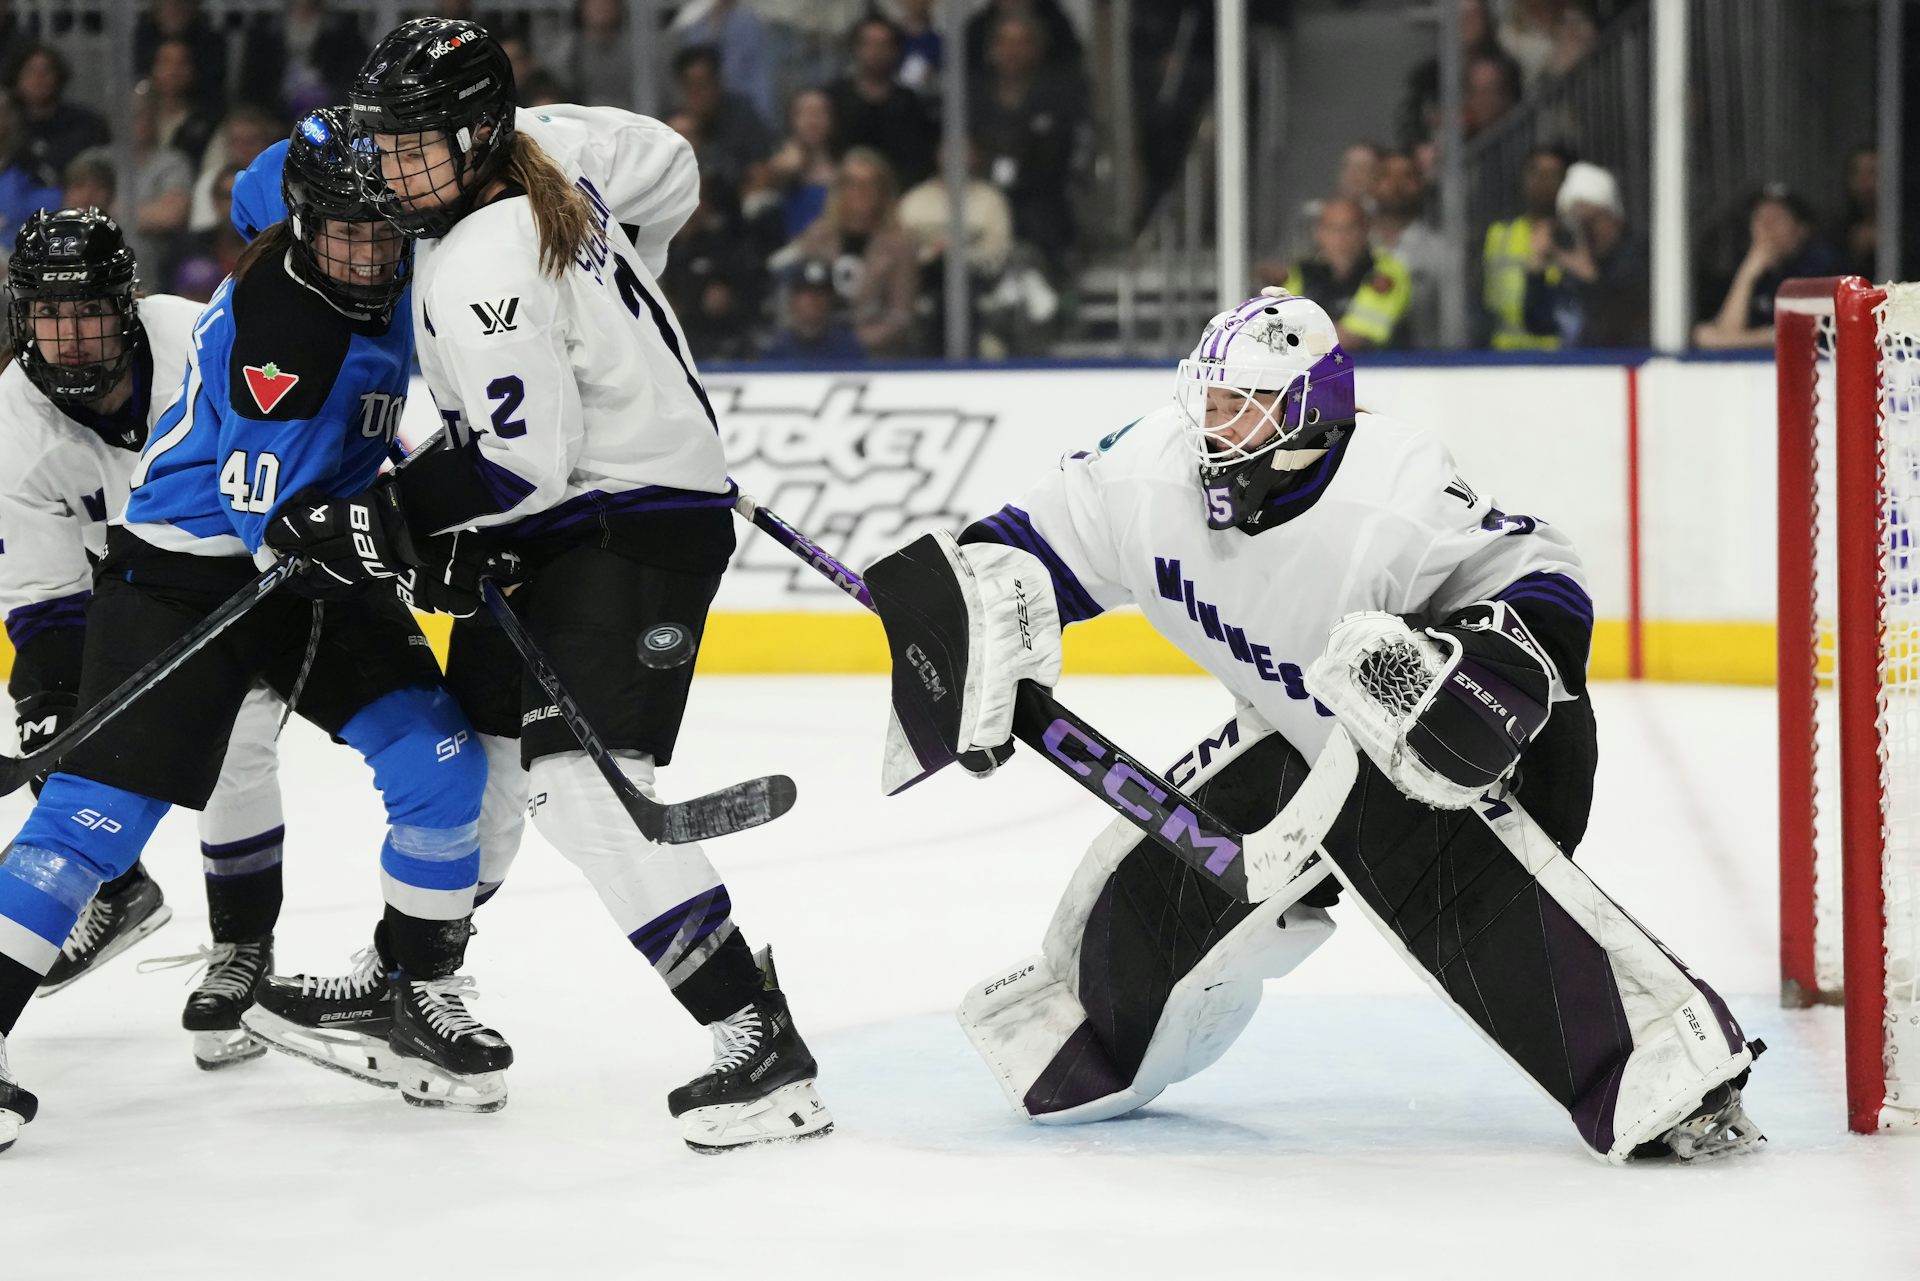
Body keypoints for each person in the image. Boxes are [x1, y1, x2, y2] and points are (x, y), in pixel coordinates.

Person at [862, 287, 1765, 1164]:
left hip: (1498, 748)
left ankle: (1669, 1066)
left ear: (1311, 415)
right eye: (1210, 401)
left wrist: (1463, 680)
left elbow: (1547, 588)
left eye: (1244, 407)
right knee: (1164, 867)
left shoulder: (1396, 493)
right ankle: (1085, 1032)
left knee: (1427, 859)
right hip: (1310, 734)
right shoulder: (1148, 473)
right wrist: (969, 635)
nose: (1215, 430)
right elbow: (1020, 549)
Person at [307, 17, 833, 1152]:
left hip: (627, 520)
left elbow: (512, 460)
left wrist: (386, 519)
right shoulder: (552, 149)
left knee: (585, 787)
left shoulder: (483, 256)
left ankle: (757, 1040)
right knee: (487, 756)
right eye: (386, 144)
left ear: (479, 129)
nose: (394, 169)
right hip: (585, 513)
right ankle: (410, 980)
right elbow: (673, 167)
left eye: (416, 146)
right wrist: (617, 295)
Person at [0, 111, 504, 1156]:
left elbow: (272, 178)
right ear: (306, 226)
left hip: (316, 570)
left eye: (386, 230)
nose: (371, 257)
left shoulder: (347, 228)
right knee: (92, 827)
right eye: (346, 232)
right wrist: (416, 547)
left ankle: (417, 987)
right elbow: (276, 529)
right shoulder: (279, 338)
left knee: (444, 764)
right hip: (192, 579)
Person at [0, 209, 294, 1073]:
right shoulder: (12, 422)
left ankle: (243, 951)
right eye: (50, 317)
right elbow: (44, 598)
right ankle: (118, 889)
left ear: (125, 305)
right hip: (123, 598)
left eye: (88, 311)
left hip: (246, 568)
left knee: (238, 747)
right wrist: (53, 709)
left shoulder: (195, 335)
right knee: (64, 752)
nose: (71, 336)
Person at [780, 147, 918, 356]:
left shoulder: (899, 247)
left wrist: (852, 343)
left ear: (883, 192)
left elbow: (900, 316)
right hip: (813, 346)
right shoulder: (816, 238)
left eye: (869, 184)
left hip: (876, 355)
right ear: (839, 190)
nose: (860, 192)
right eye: (852, 184)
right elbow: (794, 296)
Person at [1693, 184, 1845, 350]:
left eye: (1777, 218)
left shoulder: (1822, 267)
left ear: (1801, 229)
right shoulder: (1748, 267)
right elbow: (1715, 335)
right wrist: (1747, 275)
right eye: (1759, 218)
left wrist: (1743, 338)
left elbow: (1800, 337)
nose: (1766, 227)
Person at [1522, 160, 1648, 347]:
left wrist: (1588, 275)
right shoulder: (1572, 268)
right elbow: (1540, 324)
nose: (1586, 233)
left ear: (1614, 217)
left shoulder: (1638, 258)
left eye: (1592, 221)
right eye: (1576, 223)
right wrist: (1536, 274)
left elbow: (1624, 325)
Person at [1261, 198, 1411, 351]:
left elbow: (1353, 337)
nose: (1341, 238)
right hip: (1313, 370)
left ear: (1366, 231)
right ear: (1318, 233)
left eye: (1350, 228)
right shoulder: (1301, 273)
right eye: (1332, 229)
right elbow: (1275, 329)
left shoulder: (1386, 272)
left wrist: (1293, 341)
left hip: (1379, 369)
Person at [828, 15, 936, 190]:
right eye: (868, 44)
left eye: (884, 45)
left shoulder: (910, 103)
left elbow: (919, 162)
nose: (876, 52)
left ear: (896, 50)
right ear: (855, 49)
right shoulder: (834, 98)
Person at [1482, 143, 1569, 349]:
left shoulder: (1574, 236)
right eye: (1535, 173)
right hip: (1503, 354)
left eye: (1552, 175)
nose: (1542, 182)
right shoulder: (1498, 234)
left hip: (1560, 354)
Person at [1369, 148, 1445, 347]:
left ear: (1420, 186)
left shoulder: (1441, 251)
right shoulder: (1355, 247)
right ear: (1372, 185)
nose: (1396, 185)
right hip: (1361, 365)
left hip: (1424, 366)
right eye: (1386, 176)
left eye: (1407, 176)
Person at [762, 256, 863, 361]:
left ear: (831, 300)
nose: (814, 300)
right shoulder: (776, 349)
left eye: (820, 293)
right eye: (806, 293)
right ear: (792, 300)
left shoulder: (848, 348)